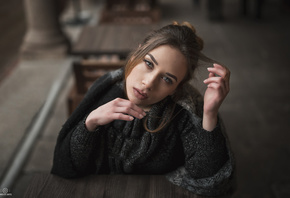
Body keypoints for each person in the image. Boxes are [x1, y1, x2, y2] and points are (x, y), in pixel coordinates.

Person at [51, 21, 235, 196]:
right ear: (137, 52)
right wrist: (89, 124)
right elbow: (65, 167)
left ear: (176, 88)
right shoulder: (106, 88)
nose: (148, 83)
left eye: (167, 79)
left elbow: (209, 181)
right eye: (148, 64)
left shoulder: (184, 112)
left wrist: (209, 114)